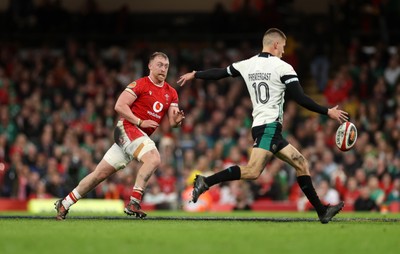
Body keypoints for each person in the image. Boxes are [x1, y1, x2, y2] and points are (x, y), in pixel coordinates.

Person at [178, 28, 348, 224]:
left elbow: (220, 73)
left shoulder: (247, 64)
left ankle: (321, 211)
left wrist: (195, 74)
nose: (283, 51)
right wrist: (328, 111)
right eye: (283, 47)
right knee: (252, 171)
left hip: (263, 126)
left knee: (301, 162)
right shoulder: (283, 67)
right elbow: (300, 98)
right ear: (275, 45)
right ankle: (205, 181)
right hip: (269, 127)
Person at [55, 52, 185, 220]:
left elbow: (173, 123)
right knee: (153, 157)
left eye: (166, 66)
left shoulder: (171, 92)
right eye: (159, 65)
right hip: (127, 128)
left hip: (136, 137)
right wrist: (140, 122)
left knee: (99, 175)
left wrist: (177, 121)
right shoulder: (140, 84)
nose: (163, 69)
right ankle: (134, 202)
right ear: (150, 66)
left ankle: (64, 203)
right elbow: (119, 105)